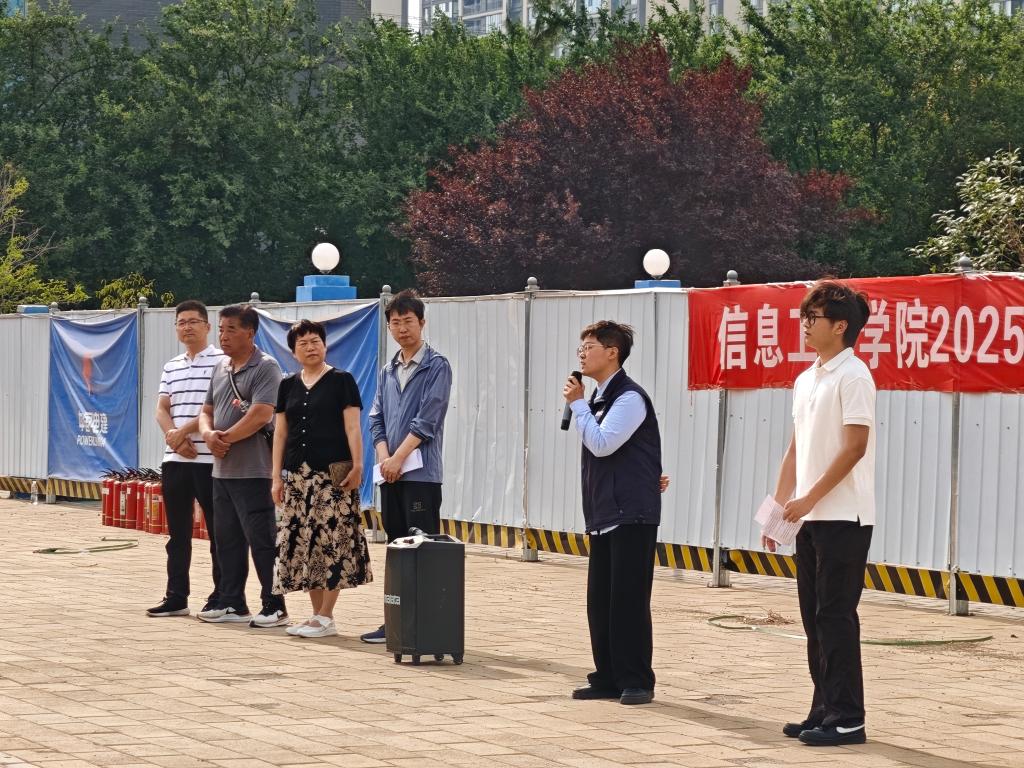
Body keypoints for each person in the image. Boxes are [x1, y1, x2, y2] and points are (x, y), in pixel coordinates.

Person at [766, 280, 875, 746]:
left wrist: (810, 499)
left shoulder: (855, 376)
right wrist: (779, 509)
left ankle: (848, 718)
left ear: (841, 325)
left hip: (844, 517)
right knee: (814, 618)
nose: (805, 326)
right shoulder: (807, 378)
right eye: (804, 317)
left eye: (813, 318)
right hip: (809, 519)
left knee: (835, 616)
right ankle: (824, 709)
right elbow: (796, 449)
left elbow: (855, 447)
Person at [563, 321, 665, 706]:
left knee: (628, 601)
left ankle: (636, 679)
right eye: (581, 347)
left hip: (631, 515)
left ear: (612, 352)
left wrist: (577, 404)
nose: (582, 353)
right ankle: (607, 676)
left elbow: (603, 444)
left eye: (589, 346)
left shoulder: (629, 397)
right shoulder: (598, 398)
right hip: (605, 513)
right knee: (601, 602)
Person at [360, 289, 452, 644]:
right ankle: (396, 622)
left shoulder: (436, 366)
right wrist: (386, 458)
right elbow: (376, 418)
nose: (402, 328)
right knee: (396, 547)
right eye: (395, 322)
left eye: (408, 321)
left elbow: (428, 419)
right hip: (390, 474)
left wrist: (398, 459)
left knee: (422, 548)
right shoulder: (388, 370)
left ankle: (424, 624)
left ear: (422, 322)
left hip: (420, 475)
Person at [271, 320, 373, 638]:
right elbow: (281, 434)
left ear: (325, 345)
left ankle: (326, 615)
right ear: (293, 351)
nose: (310, 347)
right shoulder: (287, 385)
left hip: (334, 475)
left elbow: (353, 427)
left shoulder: (342, 380)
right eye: (302, 343)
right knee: (306, 543)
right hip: (297, 477)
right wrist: (276, 477)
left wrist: (358, 465)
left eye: (316, 341)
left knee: (332, 542)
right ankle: (317, 616)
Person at [196, 304, 287, 628]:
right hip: (222, 471)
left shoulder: (266, 367)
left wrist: (225, 439)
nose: (223, 336)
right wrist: (208, 435)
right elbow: (206, 411)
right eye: (221, 329)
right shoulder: (220, 367)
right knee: (227, 541)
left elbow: (262, 413)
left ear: (250, 332)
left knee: (262, 541)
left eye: (231, 329)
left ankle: (274, 605)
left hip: (254, 471)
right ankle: (232, 602)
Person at [146, 300, 225, 617]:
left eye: (193, 321)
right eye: (181, 322)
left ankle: (222, 595)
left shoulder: (222, 362)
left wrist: (184, 433)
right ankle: (176, 596)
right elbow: (161, 409)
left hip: (210, 461)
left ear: (208, 326)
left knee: (219, 534)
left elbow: (218, 409)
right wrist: (174, 438)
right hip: (175, 460)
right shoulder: (172, 366)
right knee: (177, 535)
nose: (187, 327)